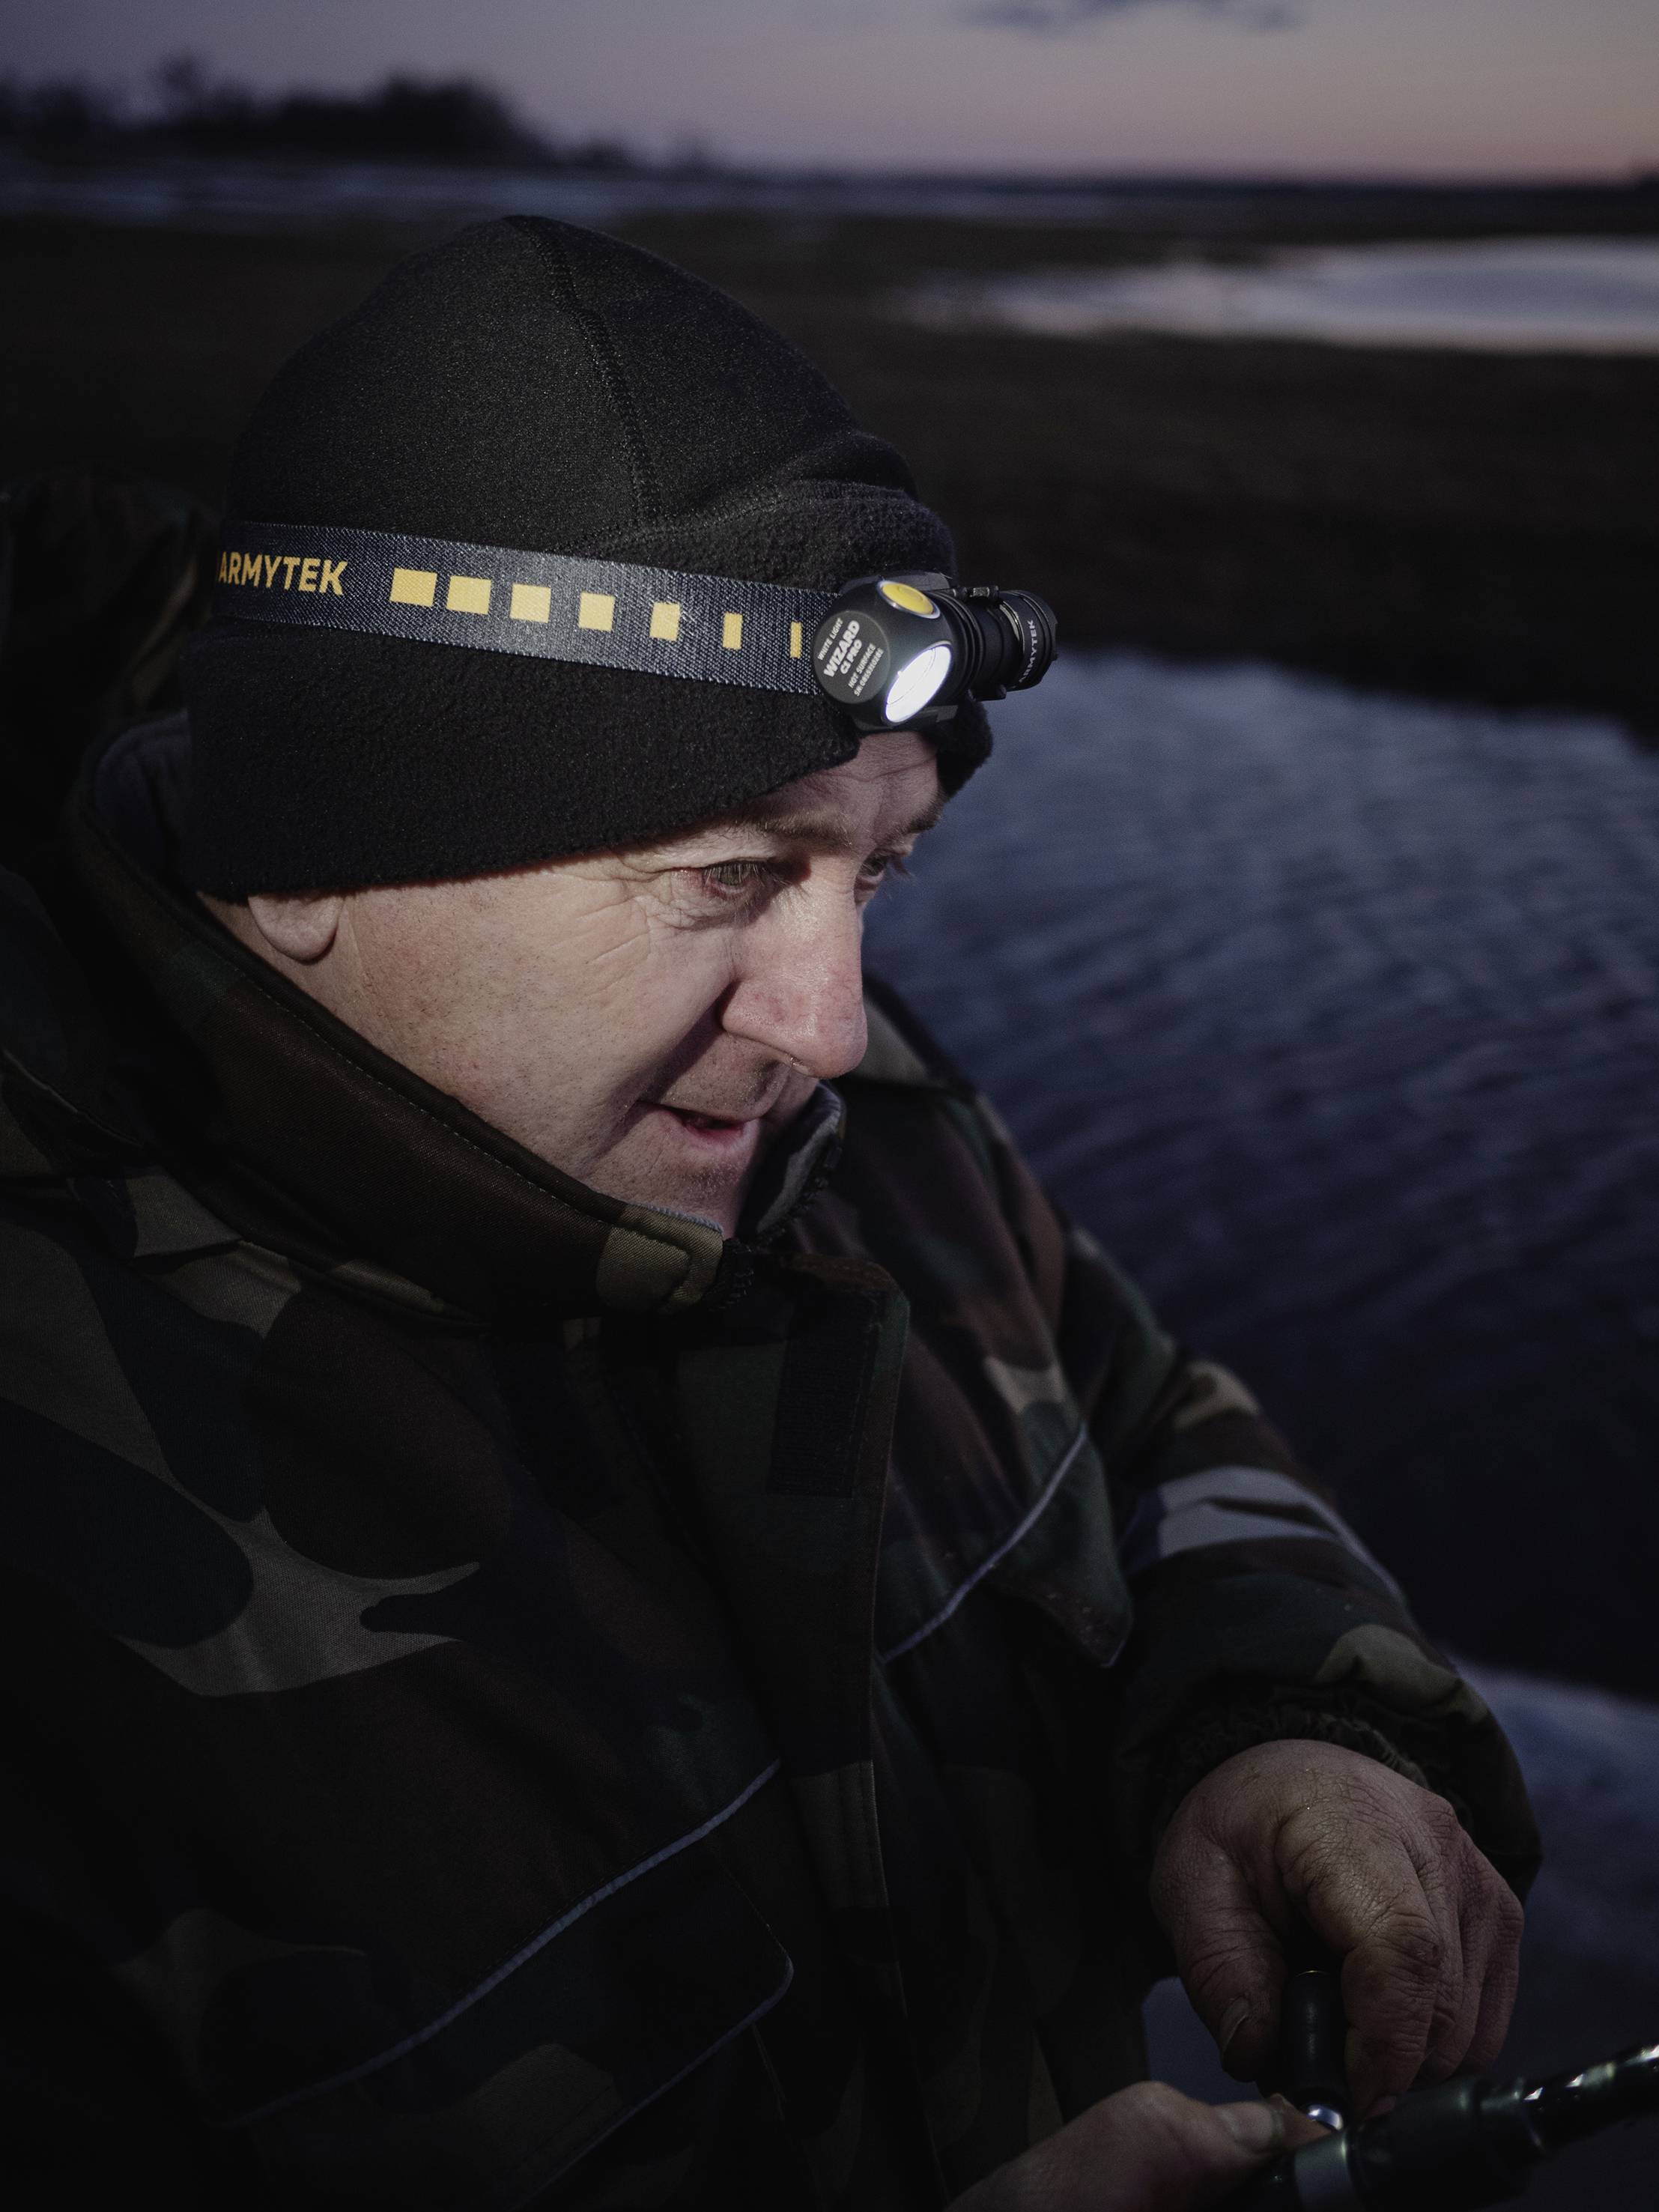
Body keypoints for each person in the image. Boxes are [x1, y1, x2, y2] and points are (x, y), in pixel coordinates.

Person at [0, 217, 1536, 2211]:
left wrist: (1284, 1710)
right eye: (727, 880)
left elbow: (1135, 1403)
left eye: (874, 874)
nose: (827, 1020)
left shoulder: (845, 1130)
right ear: (309, 847)